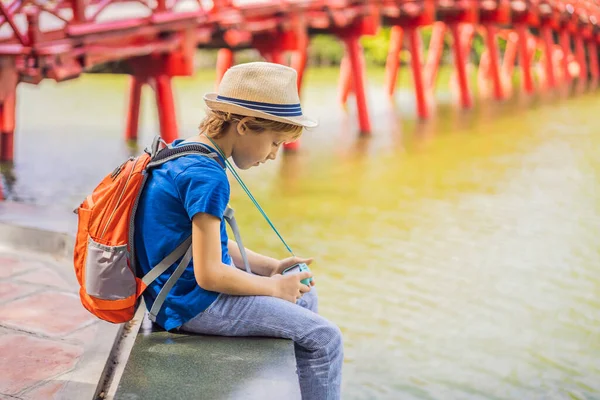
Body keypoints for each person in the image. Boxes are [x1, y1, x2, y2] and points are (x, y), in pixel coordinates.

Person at [134, 62, 343, 400]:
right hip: (192, 305)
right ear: (245, 126)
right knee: (325, 339)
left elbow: (197, 244)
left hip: (170, 295)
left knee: (305, 293)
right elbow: (210, 274)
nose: (274, 155)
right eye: (275, 142)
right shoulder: (209, 177)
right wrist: (273, 288)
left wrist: (271, 268)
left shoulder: (182, 152)